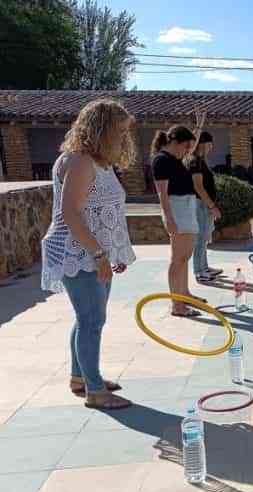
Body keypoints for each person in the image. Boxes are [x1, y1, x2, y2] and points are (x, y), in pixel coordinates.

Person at [41, 99, 137, 410]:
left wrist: (113, 252)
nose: (124, 137)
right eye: (119, 130)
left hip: (92, 251)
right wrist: (97, 255)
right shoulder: (80, 161)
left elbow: (103, 212)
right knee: (91, 320)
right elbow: (71, 212)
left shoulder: (97, 161)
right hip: (78, 251)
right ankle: (95, 391)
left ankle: (80, 377)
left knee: (88, 318)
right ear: (102, 129)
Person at [151, 125, 200, 317]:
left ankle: (184, 294)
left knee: (185, 256)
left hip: (186, 207)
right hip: (176, 209)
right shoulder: (161, 160)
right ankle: (177, 305)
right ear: (174, 142)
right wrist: (169, 218)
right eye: (186, 146)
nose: (188, 151)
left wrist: (197, 126)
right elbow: (162, 193)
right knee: (178, 259)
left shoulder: (174, 158)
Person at [184, 131, 223, 284]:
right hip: (200, 204)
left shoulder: (200, 160)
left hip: (203, 204)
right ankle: (199, 272)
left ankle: (204, 267)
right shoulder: (195, 161)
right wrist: (212, 206)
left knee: (205, 236)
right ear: (202, 144)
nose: (211, 147)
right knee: (200, 238)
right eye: (210, 144)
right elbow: (198, 187)